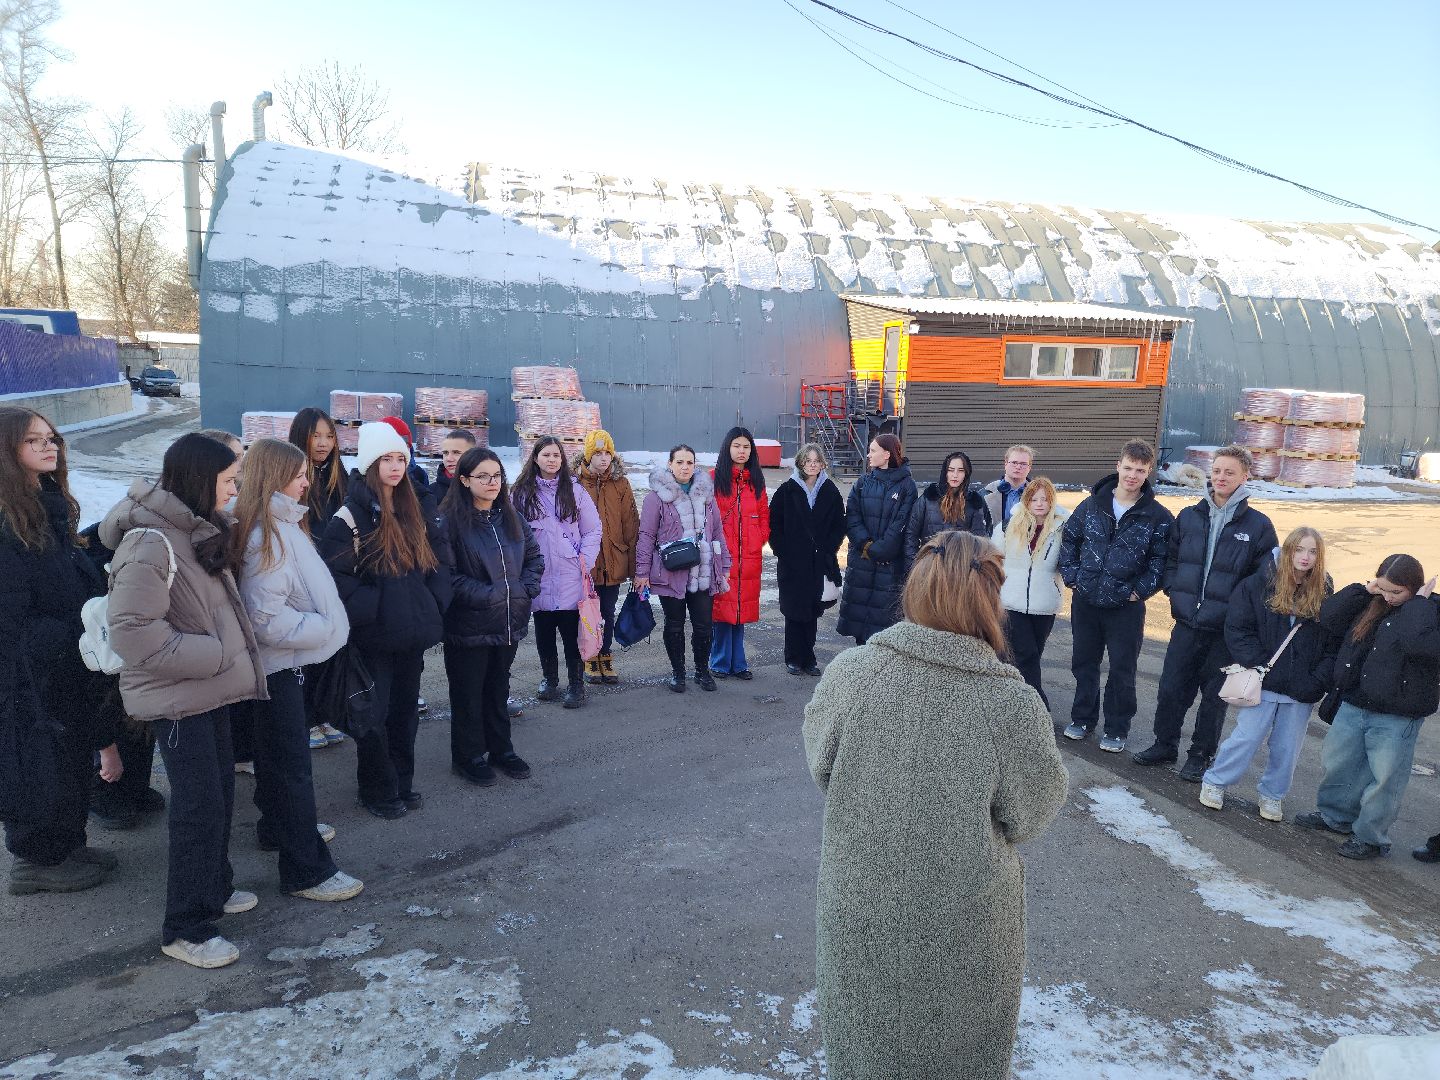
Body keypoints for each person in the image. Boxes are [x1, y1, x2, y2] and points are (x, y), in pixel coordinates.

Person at [803, 530, 1067, 1080]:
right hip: (967, 915)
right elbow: (1032, 811)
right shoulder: (1008, 699)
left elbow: (822, 766)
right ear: (989, 599)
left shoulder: (854, 675)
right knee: (959, 1047)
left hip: (862, 898)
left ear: (916, 588)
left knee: (864, 1039)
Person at [102, 433, 267, 969]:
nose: (235, 489)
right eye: (228, 480)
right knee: (196, 810)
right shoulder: (152, 542)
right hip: (178, 698)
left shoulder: (196, 530)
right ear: (200, 480)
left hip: (207, 692)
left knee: (217, 797)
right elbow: (131, 633)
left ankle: (213, 889)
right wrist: (217, 655)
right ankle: (187, 926)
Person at [234, 438, 363, 902]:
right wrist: (323, 627)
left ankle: (279, 828)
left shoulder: (280, 522)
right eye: (298, 474)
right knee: (291, 767)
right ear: (273, 477)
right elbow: (264, 618)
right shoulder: (264, 535)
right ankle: (306, 870)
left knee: (277, 762)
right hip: (277, 667)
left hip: (283, 665)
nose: (308, 481)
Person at [0, 407, 120, 896]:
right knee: (36, 762)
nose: (50, 447)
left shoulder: (46, 503)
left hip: (66, 659)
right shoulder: (6, 520)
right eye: (34, 441)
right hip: (29, 673)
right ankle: (36, 860)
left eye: (52, 439)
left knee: (71, 757)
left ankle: (68, 844)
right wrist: (57, 637)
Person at [319, 422, 451, 820]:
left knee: (405, 712)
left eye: (400, 459)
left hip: (411, 634)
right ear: (369, 464)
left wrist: (432, 603)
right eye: (385, 459)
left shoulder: (415, 508)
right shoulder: (349, 517)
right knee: (373, 716)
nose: (395, 467)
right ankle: (376, 788)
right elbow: (337, 580)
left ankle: (402, 782)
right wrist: (377, 610)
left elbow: (441, 562)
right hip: (374, 638)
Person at [1134, 445, 1278, 780]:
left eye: (1230, 472)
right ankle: (1164, 744)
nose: (1222, 477)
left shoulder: (1258, 526)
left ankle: (1200, 755)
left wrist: (1239, 613)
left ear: (1245, 477)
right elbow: (1171, 559)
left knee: (1213, 697)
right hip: (1187, 622)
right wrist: (1174, 589)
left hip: (1225, 631)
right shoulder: (1189, 516)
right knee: (1172, 688)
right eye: (1217, 471)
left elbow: (1265, 578)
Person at [1295, 555, 1440, 859]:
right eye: (1383, 588)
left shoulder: (1429, 611)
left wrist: (1417, 605)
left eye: (1396, 592)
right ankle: (1335, 817)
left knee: (1385, 779)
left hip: (1398, 714)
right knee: (1339, 765)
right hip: (1354, 701)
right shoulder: (1371, 601)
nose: (1388, 597)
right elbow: (1328, 616)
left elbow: (1421, 646)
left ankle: (1371, 837)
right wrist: (1365, 589)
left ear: (1414, 588)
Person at [1200, 528, 1336, 821]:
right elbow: (1237, 629)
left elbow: (1331, 644)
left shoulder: (1324, 592)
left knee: (1287, 749)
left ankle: (1272, 796)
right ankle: (1215, 782)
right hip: (1262, 681)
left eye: (1312, 552)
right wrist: (1259, 665)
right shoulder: (1257, 584)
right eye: (1299, 549)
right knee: (1246, 738)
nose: (1305, 557)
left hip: (1300, 689)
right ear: (1288, 550)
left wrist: (1315, 681)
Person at [1059, 440, 1174, 753]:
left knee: (1122, 669)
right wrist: (1074, 578)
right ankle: (1082, 719)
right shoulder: (1091, 505)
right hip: (1086, 600)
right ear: (1118, 466)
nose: (1132, 475)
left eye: (1140, 470)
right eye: (1128, 468)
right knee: (1084, 663)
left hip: (1126, 606)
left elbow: (1161, 561)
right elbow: (1070, 540)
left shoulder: (1157, 516)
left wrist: (1139, 591)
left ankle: (1116, 727)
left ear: (1149, 472)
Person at [441, 448, 543, 786]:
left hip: (508, 621)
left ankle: (502, 749)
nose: (491, 482)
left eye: (496, 475)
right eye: (482, 476)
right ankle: (468, 756)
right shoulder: (451, 523)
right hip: (469, 624)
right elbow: (448, 576)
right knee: (469, 693)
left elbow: (534, 558)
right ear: (465, 479)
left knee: (498, 688)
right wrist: (490, 595)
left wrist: (523, 590)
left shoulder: (511, 517)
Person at [512, 436, 602, 709]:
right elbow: (512, 532)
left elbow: (592, 529)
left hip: (570, 573)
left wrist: (584, 561)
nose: (552, 460)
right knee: (543, 631)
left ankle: (576, 684)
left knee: (571, 632)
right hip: (539, 573)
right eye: (546, 455)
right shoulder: (521, 493)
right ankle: (549, 679)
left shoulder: (575, 491)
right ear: (535, 458)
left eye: (556, 456)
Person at [635, 445, 731, 693]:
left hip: (703, 572)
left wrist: (725, 564)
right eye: (679, 462)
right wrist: (642, 572)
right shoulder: (655, 498)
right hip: (671, 571)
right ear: (670, 464)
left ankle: (702, 671)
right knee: (674, 623)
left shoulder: (706, 495)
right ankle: (678, 673)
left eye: (689, 462)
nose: (685, 467)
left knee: (703, 625)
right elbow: (646, 536)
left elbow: (718, 532)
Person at [288, 406, 350, 750]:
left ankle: (325, 714)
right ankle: (307, 719)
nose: (323, 443)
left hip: (335, 574)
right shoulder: (292, 476)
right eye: (316, 436)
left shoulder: (341, 477)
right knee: (306, 649)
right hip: (302, 575)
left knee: (331, 646)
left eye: (329, 436)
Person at [992, 476, 1069, 708]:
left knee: (1032, 654)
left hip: (1044, 602)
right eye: (1034, 498)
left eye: (1045, 499)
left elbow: (1068, 562)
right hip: (1011, 601)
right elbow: (993, 559)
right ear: (1026, 500)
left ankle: (1013, 702)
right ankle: (1038, 706)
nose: (1039, 503)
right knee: (1024, 654)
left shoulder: (1062, 528)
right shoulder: (1008, 526)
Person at [769, 442, 845, 676]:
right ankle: (792, 657)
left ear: (823, 464)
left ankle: (809, 658)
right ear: (801, 463)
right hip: (793, 563)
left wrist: (828, 549)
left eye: (816, 461)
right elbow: (774, 525)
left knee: (812, 611)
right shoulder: (787, 490)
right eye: (808, 461)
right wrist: (783, 551)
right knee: (793, 611)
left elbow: (838, 524)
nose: (812, 465)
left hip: (818, 562)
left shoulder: (830, 490)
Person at [836, 434, 916, 646]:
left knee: (884, 627)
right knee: (860, 626)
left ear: (887, 454)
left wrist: (881, 550)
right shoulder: (863, 483)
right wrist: (866, 545)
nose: (868, 455)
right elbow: (852, 516)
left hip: (888, 567)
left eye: (873, 450)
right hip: (862, 563)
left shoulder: (907, 486)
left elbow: (903, 523)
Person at [573, 429, 638, 686]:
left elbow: (631, 524)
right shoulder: (576, 483)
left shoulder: (621, 484)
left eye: (607, 453)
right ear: (588, 456)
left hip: (614, 560)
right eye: (597, 453)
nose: (603, 458)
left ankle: (605, 655)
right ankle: (590, 656)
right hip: (587, 563)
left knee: (608, 612)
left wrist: (635, 567)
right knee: (587, 613)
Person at [710, 426, 770, 680]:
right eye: (737, 446)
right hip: (722, 556)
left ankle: (739, 662)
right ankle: (720, 661)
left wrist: (757, 539)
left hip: (749, 555)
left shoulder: (756, 481)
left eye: (746, 447)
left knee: (740, 611)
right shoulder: (714, 478)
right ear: (728, 448)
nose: (742, 451)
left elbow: (764, 516)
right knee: (722, 609)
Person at [905, 450, 991, 566]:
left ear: (966, 473)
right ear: (945, 472)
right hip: (930, 568)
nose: (955, 475)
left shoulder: (975, 502)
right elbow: (911, 534)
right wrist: (915, 565)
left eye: (960, 470)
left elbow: (982, 540)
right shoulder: (929, 497)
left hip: (960, 571)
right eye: (951, 470)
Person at [981, 444, 1034, 531]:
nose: (1018, 467)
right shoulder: (985, 494)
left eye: (1023, 464)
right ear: (1005, 463)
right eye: (1014, 462)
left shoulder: (1038, 495)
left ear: (1029, 467)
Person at [433, 428, 477, 504]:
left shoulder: (488, 489)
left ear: (473, 455)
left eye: (456, 452)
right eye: (445, 453)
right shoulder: (431, 494)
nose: (449, 459)